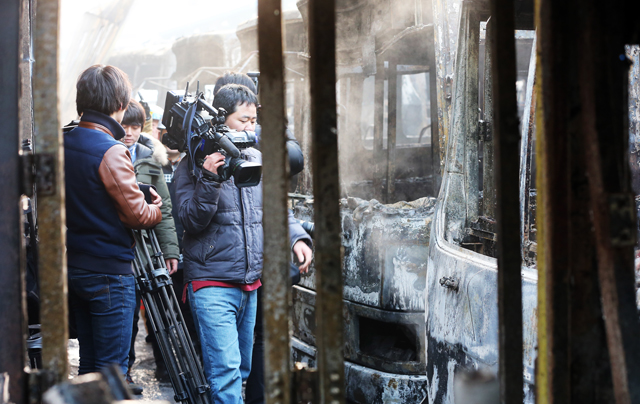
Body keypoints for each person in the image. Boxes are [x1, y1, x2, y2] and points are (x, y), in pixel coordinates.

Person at [174, 84, 313, 403]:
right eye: (244, 120)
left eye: (254, 120)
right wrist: (209, 178)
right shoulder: (193, 164)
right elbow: (190, 220)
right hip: (211, 284)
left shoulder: (256, 158)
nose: (252, 128)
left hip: (250, 283)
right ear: (221, 120)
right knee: (224, 375)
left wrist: (297, 240)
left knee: (244, 371)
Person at [64, 65, 162, 381]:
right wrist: (156, 209)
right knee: (113, 372)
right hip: (110, 271)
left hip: (77, 265)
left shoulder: (65, 142)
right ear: (119, 105)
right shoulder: (111, 149)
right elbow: (137, 215)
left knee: (89, 367)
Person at [121, 99, 180, 393]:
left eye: (134, 126)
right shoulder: (110, 154)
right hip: (119, 248)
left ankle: (167, 366)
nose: (129, 132)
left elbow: (165, 208)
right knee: (127, 315)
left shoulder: (150, 158)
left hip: (147, 248)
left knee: (161, 310)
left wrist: (170, 251)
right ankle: (125, 371)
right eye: (124, 125)